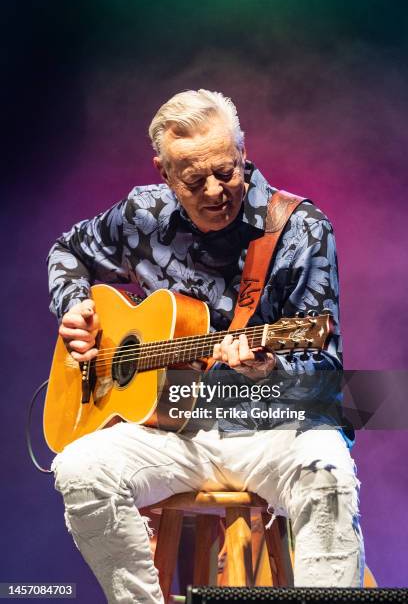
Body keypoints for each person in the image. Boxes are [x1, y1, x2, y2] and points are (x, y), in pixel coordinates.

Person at [47, 89, 364, 602]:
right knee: (80, 471)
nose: (217, 190)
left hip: (272, 426)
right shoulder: (140, 214)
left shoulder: (301, 230)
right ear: (165, 173)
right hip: (168, 428)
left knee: (328, 474)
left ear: (242, 153)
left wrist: (272, 367)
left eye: (227, 170)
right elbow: (68, 252)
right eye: (195, 180)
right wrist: (73, 305)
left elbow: (327, 372)